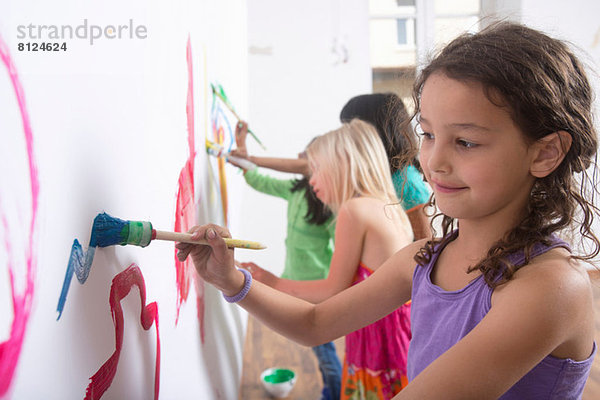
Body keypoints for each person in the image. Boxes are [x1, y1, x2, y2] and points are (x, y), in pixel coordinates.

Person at [178, 21, 599, 399]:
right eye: (429, 134)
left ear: (545, 153)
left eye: (465, 141)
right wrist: (230, 279)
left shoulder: (551, 287)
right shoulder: (423, 259)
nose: (434, 161)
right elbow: (314, 323)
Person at [240, 119, 414, 399]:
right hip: (397, 329)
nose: (311, 180)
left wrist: (268, 280)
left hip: (379, 338)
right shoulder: (387, 204)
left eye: (317, 169)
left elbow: (333, 290)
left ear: (341, 166)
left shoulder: (354, 211)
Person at [231, 122, 342, 400]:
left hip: (317, 288)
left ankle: (335, 392)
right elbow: (258, 179)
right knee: (313, 343)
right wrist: (242, 147)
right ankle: (333, 389)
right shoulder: (294, 190)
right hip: (290, 280)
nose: (298, 160)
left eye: (304, 159)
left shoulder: (331, 205)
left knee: (323, 348)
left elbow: (342, 253)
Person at [340, 93, 431, 240]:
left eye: (350, 130)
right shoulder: (376, 177)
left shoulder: (406, 183)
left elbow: (425, 246)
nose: (344, 138)